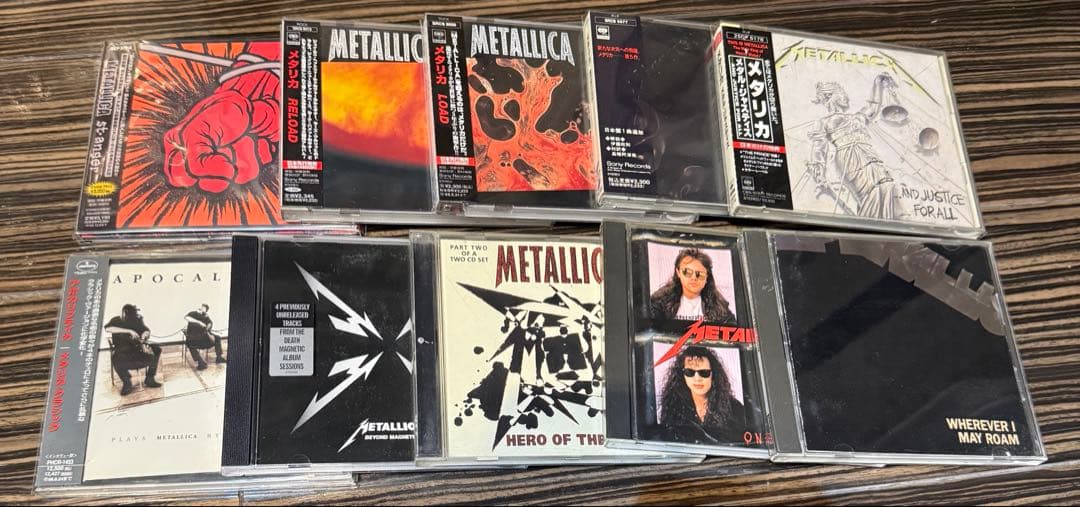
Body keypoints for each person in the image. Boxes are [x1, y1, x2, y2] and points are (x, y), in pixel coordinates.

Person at [805, 75, 900, 219]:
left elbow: (873, 105)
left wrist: (878, 83)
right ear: (829, 96)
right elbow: (819, 150)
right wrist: (820, 176)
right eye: (841, 93)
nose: (845, 97)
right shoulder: (823, 122)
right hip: (849, 157)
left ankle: (884, 222)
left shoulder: (857, 117)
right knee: (870, 192)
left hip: (870, 155)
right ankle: (871, 223)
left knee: (887, 185)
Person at [659, 345, 746, 444]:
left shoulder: (734, 408)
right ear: (682, 376)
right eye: (689, 372)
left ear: (713, 375)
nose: (697, 378)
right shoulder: (673, 406)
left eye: (704, 372)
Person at [649, 248, 735, 324]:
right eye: (687, 272)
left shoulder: (719, 306)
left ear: (707, 277)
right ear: (678, 273)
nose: (694, 278)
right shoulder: (660, 301)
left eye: (699, 274)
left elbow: (732, 330)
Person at [104, 304, 162, 396]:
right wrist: (129, 331)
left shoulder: (136, 320)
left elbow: (146, 330)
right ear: (124, 314)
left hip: (136, 350)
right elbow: (108, 329)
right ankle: (127, 383)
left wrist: (145, 334)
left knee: (156, 349)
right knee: (115, 358)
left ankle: (150, 379)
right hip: (122, 352)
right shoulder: (116, 320)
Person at [185, 303, 225, 370]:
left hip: (203, 336)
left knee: (217, 338)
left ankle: (219, 357)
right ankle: (200, 362)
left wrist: (208, 325)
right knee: (189, 342)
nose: (202, 308)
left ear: (206, 310)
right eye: (202, 307)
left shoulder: (205, 316)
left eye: (204, 308)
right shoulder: (193, 313)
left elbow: (210, 323)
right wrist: (199, 322)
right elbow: (186, 317)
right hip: (194, 336)